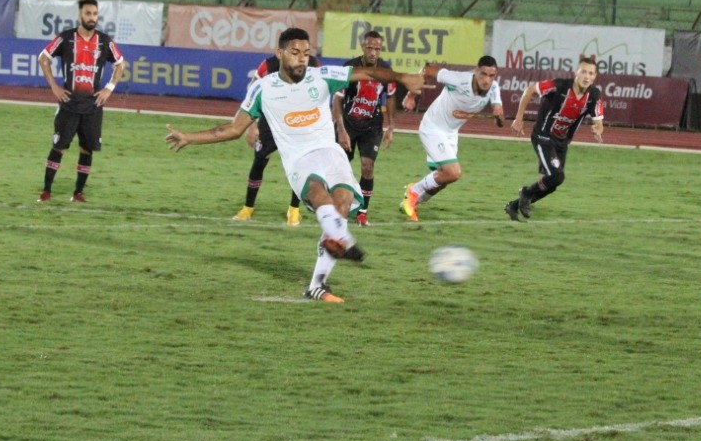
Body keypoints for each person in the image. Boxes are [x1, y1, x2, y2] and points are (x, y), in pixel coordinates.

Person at [166, 28, 424, 303]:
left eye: (306, 53)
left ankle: (317, 284)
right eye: (294, 52)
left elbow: (370, 74)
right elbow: (232, 129)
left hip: (331, 153)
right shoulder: (263, 88)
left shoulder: (321, 76)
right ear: (279, 54)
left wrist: (401, 77)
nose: (302, 59)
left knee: (343, 203)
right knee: (317, 192)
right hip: (300, 160)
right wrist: (188, 138)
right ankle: (343, 239)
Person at [37, 0, 127, 203]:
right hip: (69, 103)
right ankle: (46, 191)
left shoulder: (104, 41)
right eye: (88, 13)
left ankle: (78, 193)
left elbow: (121, 64)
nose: (91, 17)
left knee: (87, 149)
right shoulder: (66, 38)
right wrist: (54, 85)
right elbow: (43, 57)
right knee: (58, 146)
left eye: (95, 14)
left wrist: (109, 89)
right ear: (80, 15)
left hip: (93, 106)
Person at [400, 57, 504, 222]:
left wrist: (499, 116)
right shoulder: (458, 79)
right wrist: (411, 96)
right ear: (476, 71)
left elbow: (500, 123)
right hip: (432, 127)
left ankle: (414, 201)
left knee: (443, 180)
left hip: (451, 133)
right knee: (453, 173)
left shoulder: (494, 89)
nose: (487, 80)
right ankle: (413, 191)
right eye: (483, 74)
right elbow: (427, 70)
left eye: (492, 76)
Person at [504, 56, 605, 221]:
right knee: (557, 176)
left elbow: (599, 121)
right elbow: (530, 90)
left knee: (553, 183)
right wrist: (519, 118)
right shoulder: (558, 86)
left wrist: (597, 129)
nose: (587, 76)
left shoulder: (594, 95)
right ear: (576, 73)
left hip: (562, 142)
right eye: (584, 72)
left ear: (595, 77)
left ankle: (514, 206)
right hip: (543, 136)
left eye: (591, 73)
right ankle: (526, 193)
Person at [231, 50, 316, 225]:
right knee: (260, 160)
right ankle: (248, 208)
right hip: (270, 121)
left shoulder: (312, 64)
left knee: (299, 165)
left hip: (296, 122)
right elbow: (252, 90)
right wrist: (252, 125)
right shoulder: (268, 65)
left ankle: (294, 210)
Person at [333, 30, 397, 226]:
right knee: (339, 168)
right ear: (363, 47)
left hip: (372, 126)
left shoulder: (386, 71)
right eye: (370, 48)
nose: (373, 53)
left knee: (368, 167)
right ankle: (335, 205)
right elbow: (337, 99)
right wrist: (341, 129)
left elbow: (392, 96)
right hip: (349, 124)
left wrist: (392, 126)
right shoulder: (349, 68)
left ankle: (362, 212)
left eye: (377, 49)